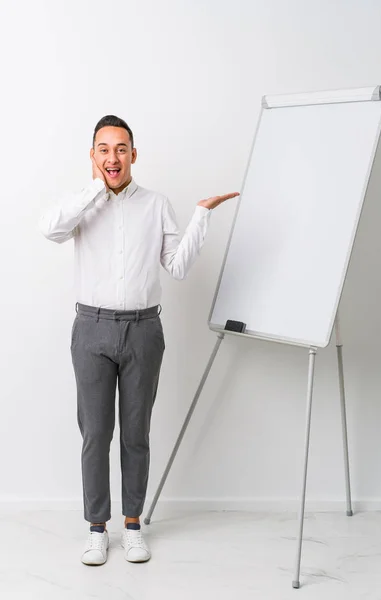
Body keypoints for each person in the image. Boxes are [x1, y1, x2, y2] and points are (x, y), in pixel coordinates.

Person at [39, 115, 239, 566]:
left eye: (122, 148)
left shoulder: (156, 204)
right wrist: (95, 190)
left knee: (136, 434)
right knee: (95, 434)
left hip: (144, 330)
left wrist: (202, 215)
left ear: (134, 154)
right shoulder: (81, 204)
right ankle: (97, 529)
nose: (113, 157)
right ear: (93, 155)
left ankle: (132, 526)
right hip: (91, 329)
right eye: (104, 149)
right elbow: (49, 229)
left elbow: (179, 266)